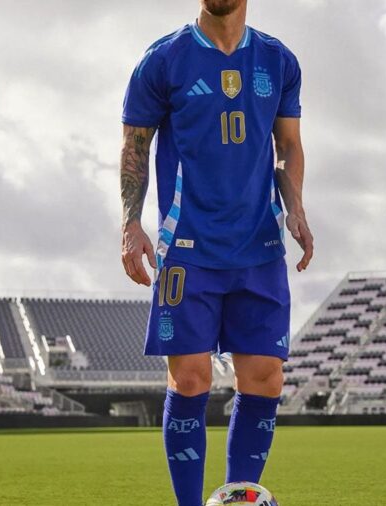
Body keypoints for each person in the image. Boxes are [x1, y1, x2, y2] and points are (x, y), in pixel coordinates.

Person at [119, 0, 314, 503]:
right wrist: (130, 223)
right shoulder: (163, 60)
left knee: (266, 378)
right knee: (189, 379)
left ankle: (238, 496)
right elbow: (134, 147)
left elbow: (288, 146)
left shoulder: (278, 61)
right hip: (188, 247)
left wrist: (296, 208)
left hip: (259, 245)